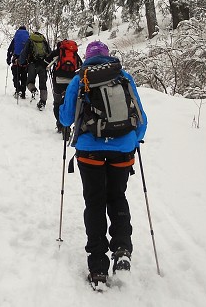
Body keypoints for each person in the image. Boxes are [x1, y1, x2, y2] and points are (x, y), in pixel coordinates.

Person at [59, 40, 148, 289]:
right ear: (108, 56)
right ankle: (121, 249)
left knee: (95, 202)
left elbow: (66, 118)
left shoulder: (81, 78)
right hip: (123, 150)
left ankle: (98, 268)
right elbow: (141, 119)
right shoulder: (124, 76)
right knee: (117, 197)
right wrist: (134, 140)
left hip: (90, 152)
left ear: (86, 57)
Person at [47, 39, 82, 133]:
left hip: (58, 80)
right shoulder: (75, 55)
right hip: (71, 81)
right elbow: (81, 66)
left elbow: (46, 61)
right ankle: (67, 125)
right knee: (69, 101)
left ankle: (60, 124)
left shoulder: (59, 52)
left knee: (57, 102)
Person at [19, 30, 50, 109]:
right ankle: (42, 102)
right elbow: (49, 52)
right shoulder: (44, 41)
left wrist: (21, 62)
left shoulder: (30, 40)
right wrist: (48, 63)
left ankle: (33, 90)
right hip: (43, 65)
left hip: (33, 64)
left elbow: (24, 52)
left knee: (30, 81)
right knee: (43, 84)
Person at [6, 25, 30, 98]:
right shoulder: (28, 39)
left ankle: (17, 89)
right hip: (25, 60)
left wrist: (8, 59)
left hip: (16, 59)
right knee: (24, 76)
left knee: (16, 75)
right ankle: (23, 92)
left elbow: (10, 49)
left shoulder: (16, 38)